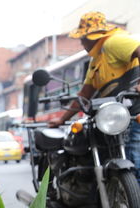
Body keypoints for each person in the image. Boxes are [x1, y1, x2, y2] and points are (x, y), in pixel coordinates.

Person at [48, 11, 140, 185]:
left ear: (92, 36)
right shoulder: (96, 62)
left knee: (134, 162)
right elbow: (84, 95)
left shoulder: (114, 42)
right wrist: (61, 120)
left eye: (83, 38)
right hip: (116, 119)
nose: (81, 42)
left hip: (134, 115)